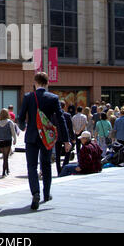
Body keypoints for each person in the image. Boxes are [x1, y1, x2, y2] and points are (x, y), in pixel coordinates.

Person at [18, 72, 71, 210]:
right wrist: (66, 140)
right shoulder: (53, 98)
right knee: (46, 165)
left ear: (35, 83)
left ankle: (35, 193)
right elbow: (61, 119)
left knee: (32, 167)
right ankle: (46, 194)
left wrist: (23, 127)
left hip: (31, 137)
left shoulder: (28, 97)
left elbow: (21, 117)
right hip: (47, 137)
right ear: (47, 83)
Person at [54, 100, 76, 176]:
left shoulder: (54, 115)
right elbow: (70, 128)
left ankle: (58, 170)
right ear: (64, 106)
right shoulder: (67, 115)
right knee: (67, 153)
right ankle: (64, 168)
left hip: (57, 137)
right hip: (66, 137)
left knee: (57, 155)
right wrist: (73, 138)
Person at [0, 108, 17, 177]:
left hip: (0, 141)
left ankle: (7, 169)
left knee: (5, 156)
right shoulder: (9, 122)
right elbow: (13, 132)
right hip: (8, 140)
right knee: (6, 156)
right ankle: (3, 172)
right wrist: (15, 139)